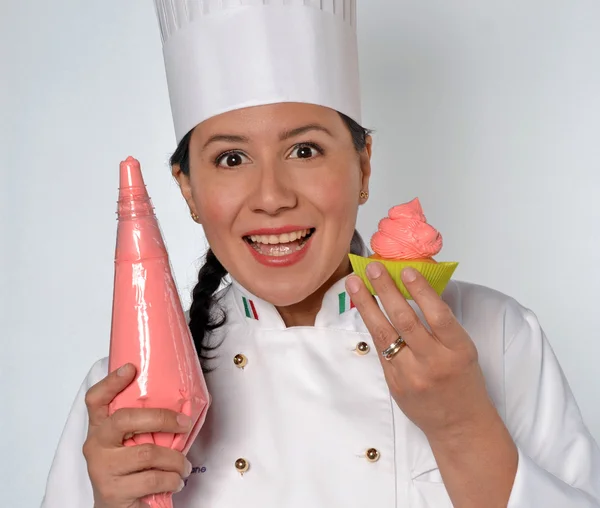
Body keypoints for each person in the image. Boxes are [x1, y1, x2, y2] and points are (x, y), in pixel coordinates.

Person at [41, 2, 600, 507]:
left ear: (364, 165)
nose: (272, 197)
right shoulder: (132, 391)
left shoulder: (495, 335)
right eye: (231, 159)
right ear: (188, 190)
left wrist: (460, 427)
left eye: (304, 149)